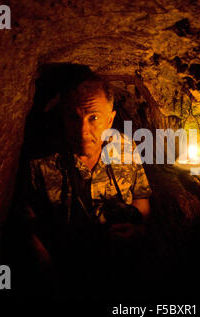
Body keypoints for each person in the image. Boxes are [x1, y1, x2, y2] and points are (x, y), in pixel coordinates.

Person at [19, 74, 152, 298]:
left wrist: (138, 230)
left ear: (110, 120)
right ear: (62, 116)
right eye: (73, 117)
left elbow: (141, 196)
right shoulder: (40, 161)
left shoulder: (125, 148)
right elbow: (27, 223)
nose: (82, 131)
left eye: (93, 118)